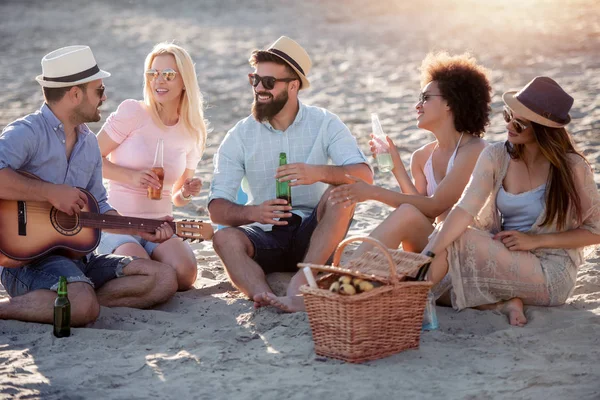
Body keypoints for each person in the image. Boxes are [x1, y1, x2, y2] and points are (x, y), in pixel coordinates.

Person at [0, 46, 178, 327]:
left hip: (79, 258)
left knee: (163, 278)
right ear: (75, 94)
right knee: (81, 303)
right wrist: (49, 192)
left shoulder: (89, 145)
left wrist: (140, 228)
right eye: (99, 90)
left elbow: (99, 207)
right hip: (27, 261)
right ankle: (29, 305)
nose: (104, 97)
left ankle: (75, 298)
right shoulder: (27, 132)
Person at [209, 36, 373, 312]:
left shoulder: (324, 123)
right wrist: (254, 213)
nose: (259, 88)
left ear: (294, 86)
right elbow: (216, 209)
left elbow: (364, 176)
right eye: (255, 80)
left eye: (269, 82)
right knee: (224, 238)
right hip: (265, 235)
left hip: (315, 233)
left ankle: (302, 280)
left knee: (341, 193)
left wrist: (318, 173)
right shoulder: (239, 136)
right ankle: (263, 295)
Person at [421, 76, 600, 327]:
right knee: (447, 252)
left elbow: (596, 230)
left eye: (519, 123)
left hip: (550, 272)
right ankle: (501, 304)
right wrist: (427, 254)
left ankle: (410, 300)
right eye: (507, 116)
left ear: (542, 131)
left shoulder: (572, 167)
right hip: (504, 253)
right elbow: (465, 208)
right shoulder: (496, 155)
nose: (509, 127)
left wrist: (536, 241)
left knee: (458, 243)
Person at [330, 52, 491, 256]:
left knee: (406, 213)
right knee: (407, 213)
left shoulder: (475, 150)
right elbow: (423, 214)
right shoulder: (422, 157)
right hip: (437, 247)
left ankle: (348, 278)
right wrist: (397, 168)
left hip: (469, 251)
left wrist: (372, 192)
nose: (418, 105)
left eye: (425, 98)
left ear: (450, 102)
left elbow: (435, 206)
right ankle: (350, 277)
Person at [96, 42, 208, 291]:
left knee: (185, 274)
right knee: (142, 273)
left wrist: (187, 192)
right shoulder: (133, 112)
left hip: (160, 227)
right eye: (153, 74)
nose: (159, 81)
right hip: (118, 223)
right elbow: (89, 159)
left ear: (183, 81)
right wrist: (131, 176)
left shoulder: (192, 132)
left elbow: (176, 198)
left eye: (168, 75)